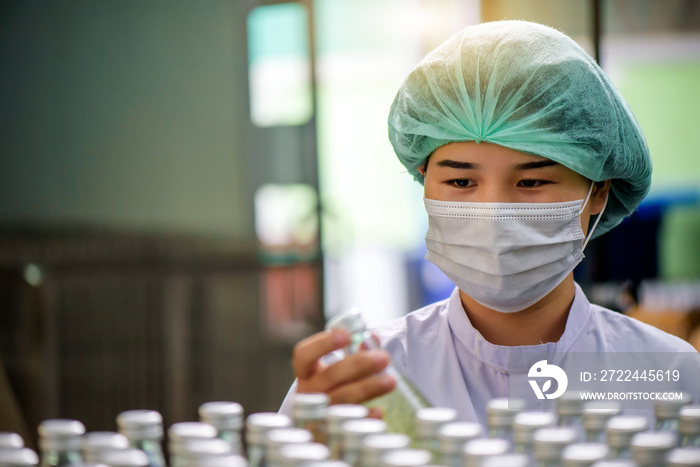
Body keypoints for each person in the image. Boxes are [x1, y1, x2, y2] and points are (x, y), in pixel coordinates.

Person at [279, 20, 699, 425]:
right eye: (461, 181)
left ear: (599, 192)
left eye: (531, 181)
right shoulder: (362, 383)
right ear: (424, 182)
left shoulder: (668, 376)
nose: (493, 212)